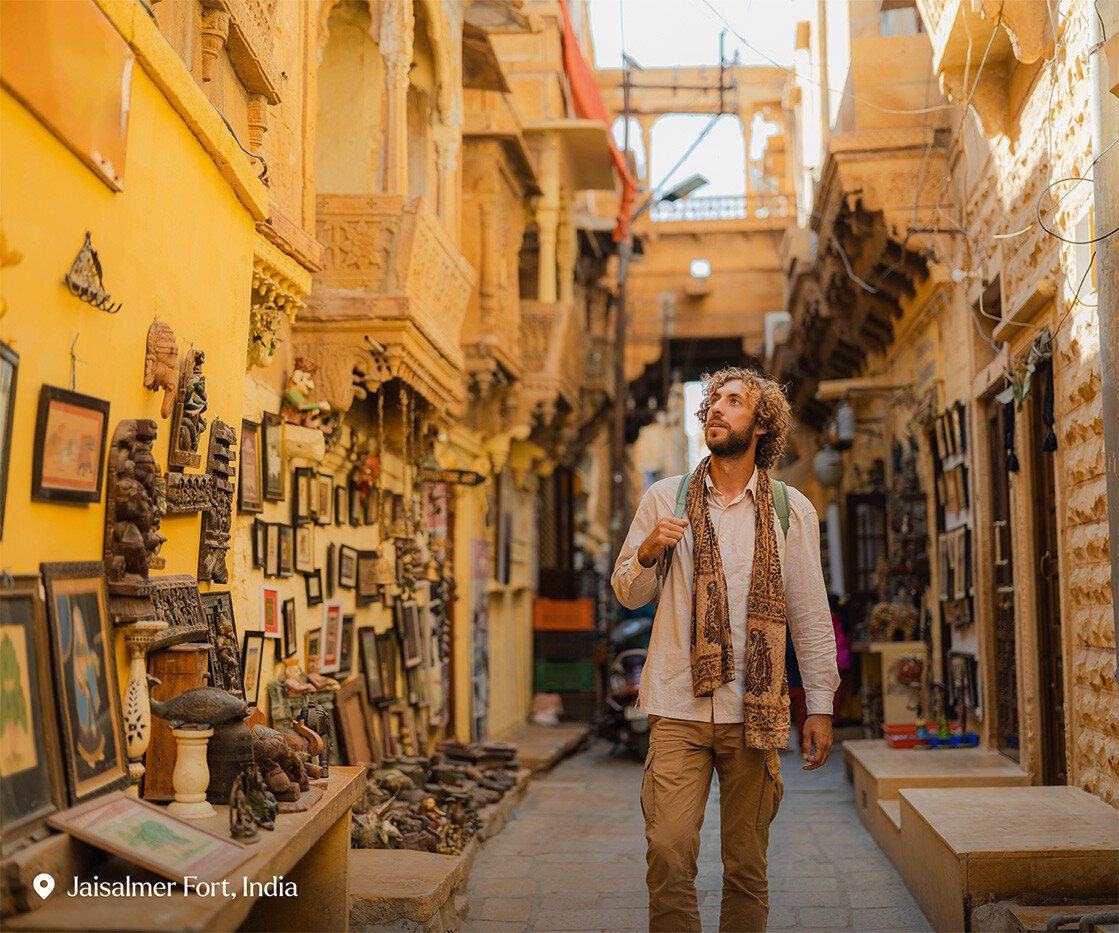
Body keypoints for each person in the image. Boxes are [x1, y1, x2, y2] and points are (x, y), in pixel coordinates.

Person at [611, 366, 840, 933]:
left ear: (762, 424)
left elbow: (810, 614)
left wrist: (820, 705)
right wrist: (645, 552)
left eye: (733, 401)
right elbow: (627, 592)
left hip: (753, 716)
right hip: (678, 709)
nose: (716, 408)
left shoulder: (792, 510)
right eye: (712, 400)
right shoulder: (667, 498)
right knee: (667, 855)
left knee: (745, 868)